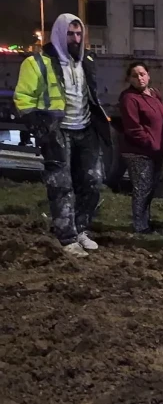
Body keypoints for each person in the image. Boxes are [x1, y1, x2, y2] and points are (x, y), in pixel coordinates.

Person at [14, 13, 111, 257]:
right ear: (59, 34)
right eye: (70, 34)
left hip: (86, 130)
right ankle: (66, 238)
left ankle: (81, 229)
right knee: (61, 185)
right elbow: (23, 99)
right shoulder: (37, 63)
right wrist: (41, 127)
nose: (76, 39)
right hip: (58, 132)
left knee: (92, 181)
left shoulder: (86, 60)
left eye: (79, 34)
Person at [118, 62, 163, 234]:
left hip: (156, 151)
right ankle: (140, 226)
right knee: (142, 189)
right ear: (129, 79)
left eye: (142, 74)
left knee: (151, 188)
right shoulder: (129, 98)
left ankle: (146, 221)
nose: (139, 78)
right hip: (138, 152)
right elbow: (133, 129)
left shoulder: (154, 94)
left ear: (148, 75)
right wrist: (151, 143)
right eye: (135, 75)